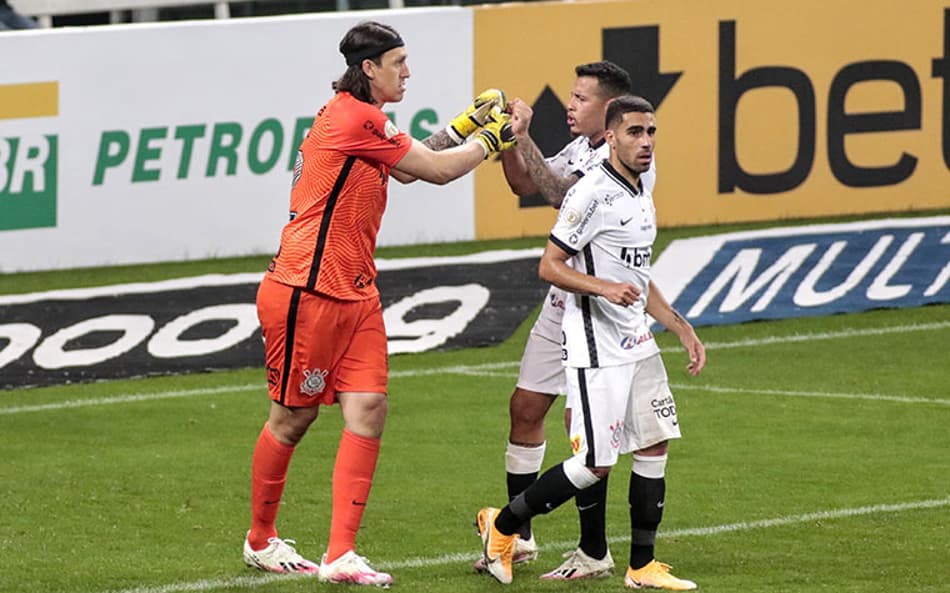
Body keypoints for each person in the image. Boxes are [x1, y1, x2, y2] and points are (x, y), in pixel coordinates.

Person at [243, 20, 515, 587]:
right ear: (369, 68)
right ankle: (261, 540)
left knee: (368, 409)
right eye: (398, 63)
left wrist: (462, 127)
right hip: (307, 290)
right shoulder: (353, 117)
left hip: (357, 290)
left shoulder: (362, 117)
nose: (408, 72)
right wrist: (494, 139)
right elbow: (436, 172)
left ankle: (341, 554)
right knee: (292, 418)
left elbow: (411, 168)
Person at [476, 94, 706, 590]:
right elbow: (550, 265)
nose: (646, 142)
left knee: (654, 443)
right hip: (596, 345)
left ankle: (641, 567)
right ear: (610, 137)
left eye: (651, 132)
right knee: (595, 463)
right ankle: (504, 526)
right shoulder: (591, 194)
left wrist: (679, 326)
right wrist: (603, 288)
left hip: (637, 340)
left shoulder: (640, 189)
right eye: (635, 132)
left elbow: (637, 275)